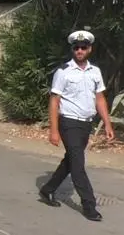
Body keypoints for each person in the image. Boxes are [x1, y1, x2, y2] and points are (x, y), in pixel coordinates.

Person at [39, 30, 114, 222]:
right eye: (76, 47)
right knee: (78, 165)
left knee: (71, 161)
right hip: (68, 122)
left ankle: (47, 190)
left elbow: (99, 98)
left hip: (86, 124)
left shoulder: (95, 71)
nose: (80, 50)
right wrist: (54, 130)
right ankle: (89, 205)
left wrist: (107, 123)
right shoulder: (63, 72)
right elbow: (54, 101)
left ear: (89, 49)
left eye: (83, 47)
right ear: (72, 49)